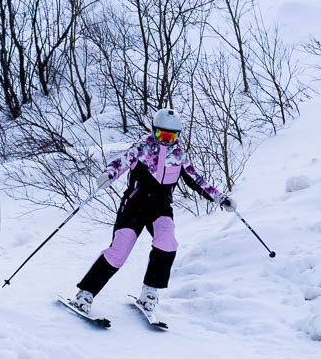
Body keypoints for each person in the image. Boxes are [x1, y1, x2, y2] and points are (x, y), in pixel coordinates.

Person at [71, 107, 232, 316]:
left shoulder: (179, 156)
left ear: (177, 135)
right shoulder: (142, 148)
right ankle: (85, 294)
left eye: (170, 136)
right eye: (161, 134)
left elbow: (196, 180)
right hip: (134, 205)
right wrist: (108, 175)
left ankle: (149, 293)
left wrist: (220, 197)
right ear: (154, 131)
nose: (165, 140)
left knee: (167, 243)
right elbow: (120, 162)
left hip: (161, 208)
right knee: (119, 251)